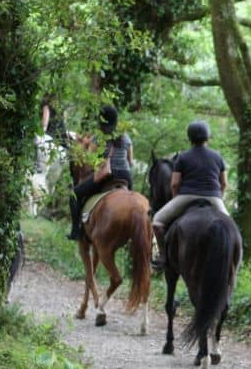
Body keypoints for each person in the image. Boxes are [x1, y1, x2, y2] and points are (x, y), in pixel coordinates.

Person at [149, 120, 229, 268]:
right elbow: (224, 183)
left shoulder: (183, 157)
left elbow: (174, 183)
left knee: (157, 221)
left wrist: (175, 200)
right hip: (213, 198)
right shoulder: (218, 156)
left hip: (187, 196)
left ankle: (163, 256)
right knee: (231, 227)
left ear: (190, 138)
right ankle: (232, 259)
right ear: (208, 138)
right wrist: (219, 197)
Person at [69, 105, 135, 241]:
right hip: (126, 176)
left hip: (107, 175)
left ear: (101, 120)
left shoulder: (98, 137)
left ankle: (76, 231)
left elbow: (89, 161)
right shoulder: (126, 137)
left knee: (74, 195)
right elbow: (131, 162)